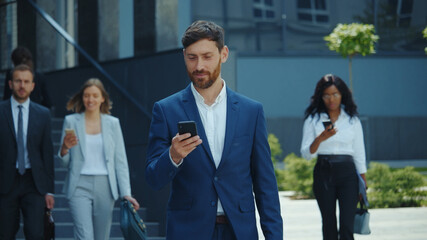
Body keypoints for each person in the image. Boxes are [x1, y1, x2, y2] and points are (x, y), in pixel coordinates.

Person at [146, 20, 283, 240]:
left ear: (224, 54)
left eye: (207, 56)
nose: (199, 66)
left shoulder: (251, 111)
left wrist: (274, 236)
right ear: (184, 57)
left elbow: (265, 183)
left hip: (238, 231)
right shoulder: (166, 110)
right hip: (188, 231)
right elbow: (153, 178)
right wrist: (173, 156)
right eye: (192, 57)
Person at [58, 78, 139, 240]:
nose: (90, 99)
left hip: (105, 186)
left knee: (102, 237)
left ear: (102, 98)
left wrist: (126, 193)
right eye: (87, 95)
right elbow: (64, 163)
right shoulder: (71, 121)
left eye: (95, 95)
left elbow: (120, 161)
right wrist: (64, 148)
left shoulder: (113, 123)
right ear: (82, 97)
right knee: (84, 237)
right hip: (79, 185)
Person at [300, 74, 367, 240]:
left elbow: (359, 153)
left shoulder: (352, 120)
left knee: (347, 225)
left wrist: (363, 182)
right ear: (320, 97)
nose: (331, 99)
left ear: (342, 95)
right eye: (327, 95)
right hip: (324, 172)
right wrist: (320, 138)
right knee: (328, 222)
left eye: (335, 94)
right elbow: (306, 154)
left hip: (348, 174)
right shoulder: (313, 120)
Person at [0, 64, 55, 239]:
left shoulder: (43, 114)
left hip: (34, 182)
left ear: (33, 85)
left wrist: (50, 190)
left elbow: (47, 153)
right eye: (18, 81)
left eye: (26, 81)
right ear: (10, 84)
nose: (22, 85)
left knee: (35, 233)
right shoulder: (0, 111)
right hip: (5, 182)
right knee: (5, 233)